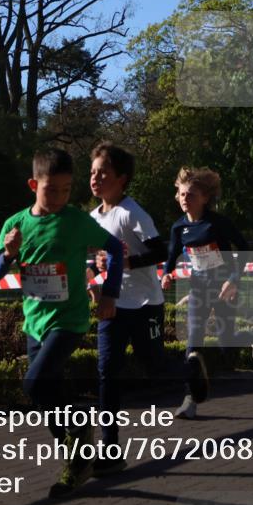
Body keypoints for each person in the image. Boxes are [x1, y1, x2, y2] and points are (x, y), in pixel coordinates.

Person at [0, 148, 125, 499]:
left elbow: (116, 248)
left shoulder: (76, 221)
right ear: (34, 184)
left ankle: (77, 437)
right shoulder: (16, 224)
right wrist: (8, 254)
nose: (60, 197)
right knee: (44, 392)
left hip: (69, 319)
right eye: (52, 190)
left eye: (67, 190)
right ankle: (78, 462)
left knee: (35, 384)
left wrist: (109, 293)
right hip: (35, 322)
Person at [161, 166, 253, 420]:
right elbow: (172, 255)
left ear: (205, 197)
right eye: (181, 194)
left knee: (225, 341)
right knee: (193, 342)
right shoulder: (179, 228)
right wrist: (167, 273)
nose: (184, 199)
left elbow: (243, 248)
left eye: (191, 194)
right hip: (199, 288)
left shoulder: (217, 223)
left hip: (224, 288)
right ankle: (190, 399)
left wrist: (233, 280)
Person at [87, 142, 170, 476]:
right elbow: (93, 260)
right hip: (114, 304)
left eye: (102, 173)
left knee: (155, 369)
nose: (94, 178)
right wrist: (92, 280)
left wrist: (126, 261)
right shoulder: (93, 218)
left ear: (121, 179)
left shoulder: (133, 213)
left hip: (146, 303)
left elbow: (159, 251)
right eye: (92, 172)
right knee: (107, 371)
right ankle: (110, 448)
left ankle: (196, 374)